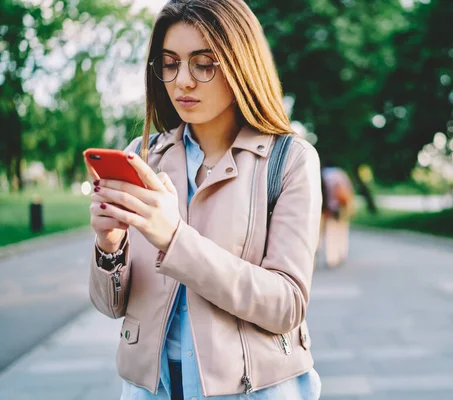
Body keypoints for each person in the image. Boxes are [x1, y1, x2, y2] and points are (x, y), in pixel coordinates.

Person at [87, 1, 322, 399]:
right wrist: (109, 248)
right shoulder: (143, 157)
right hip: (153, 388)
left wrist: (174, 237)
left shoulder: (289, 160)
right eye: (170, 63)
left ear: (240, 64)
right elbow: (110, 307)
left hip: (254, 389)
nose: (183, 81)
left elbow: (287, 305)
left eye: (204, 64)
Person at [319, 163, 355, 268]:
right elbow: (348, 190)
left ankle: (331, 258)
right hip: (341, 207)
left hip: (329, 208)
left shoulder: (323, 175)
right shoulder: (341, 174)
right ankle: (341, 253)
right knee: (342, 231)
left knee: (330, 232)